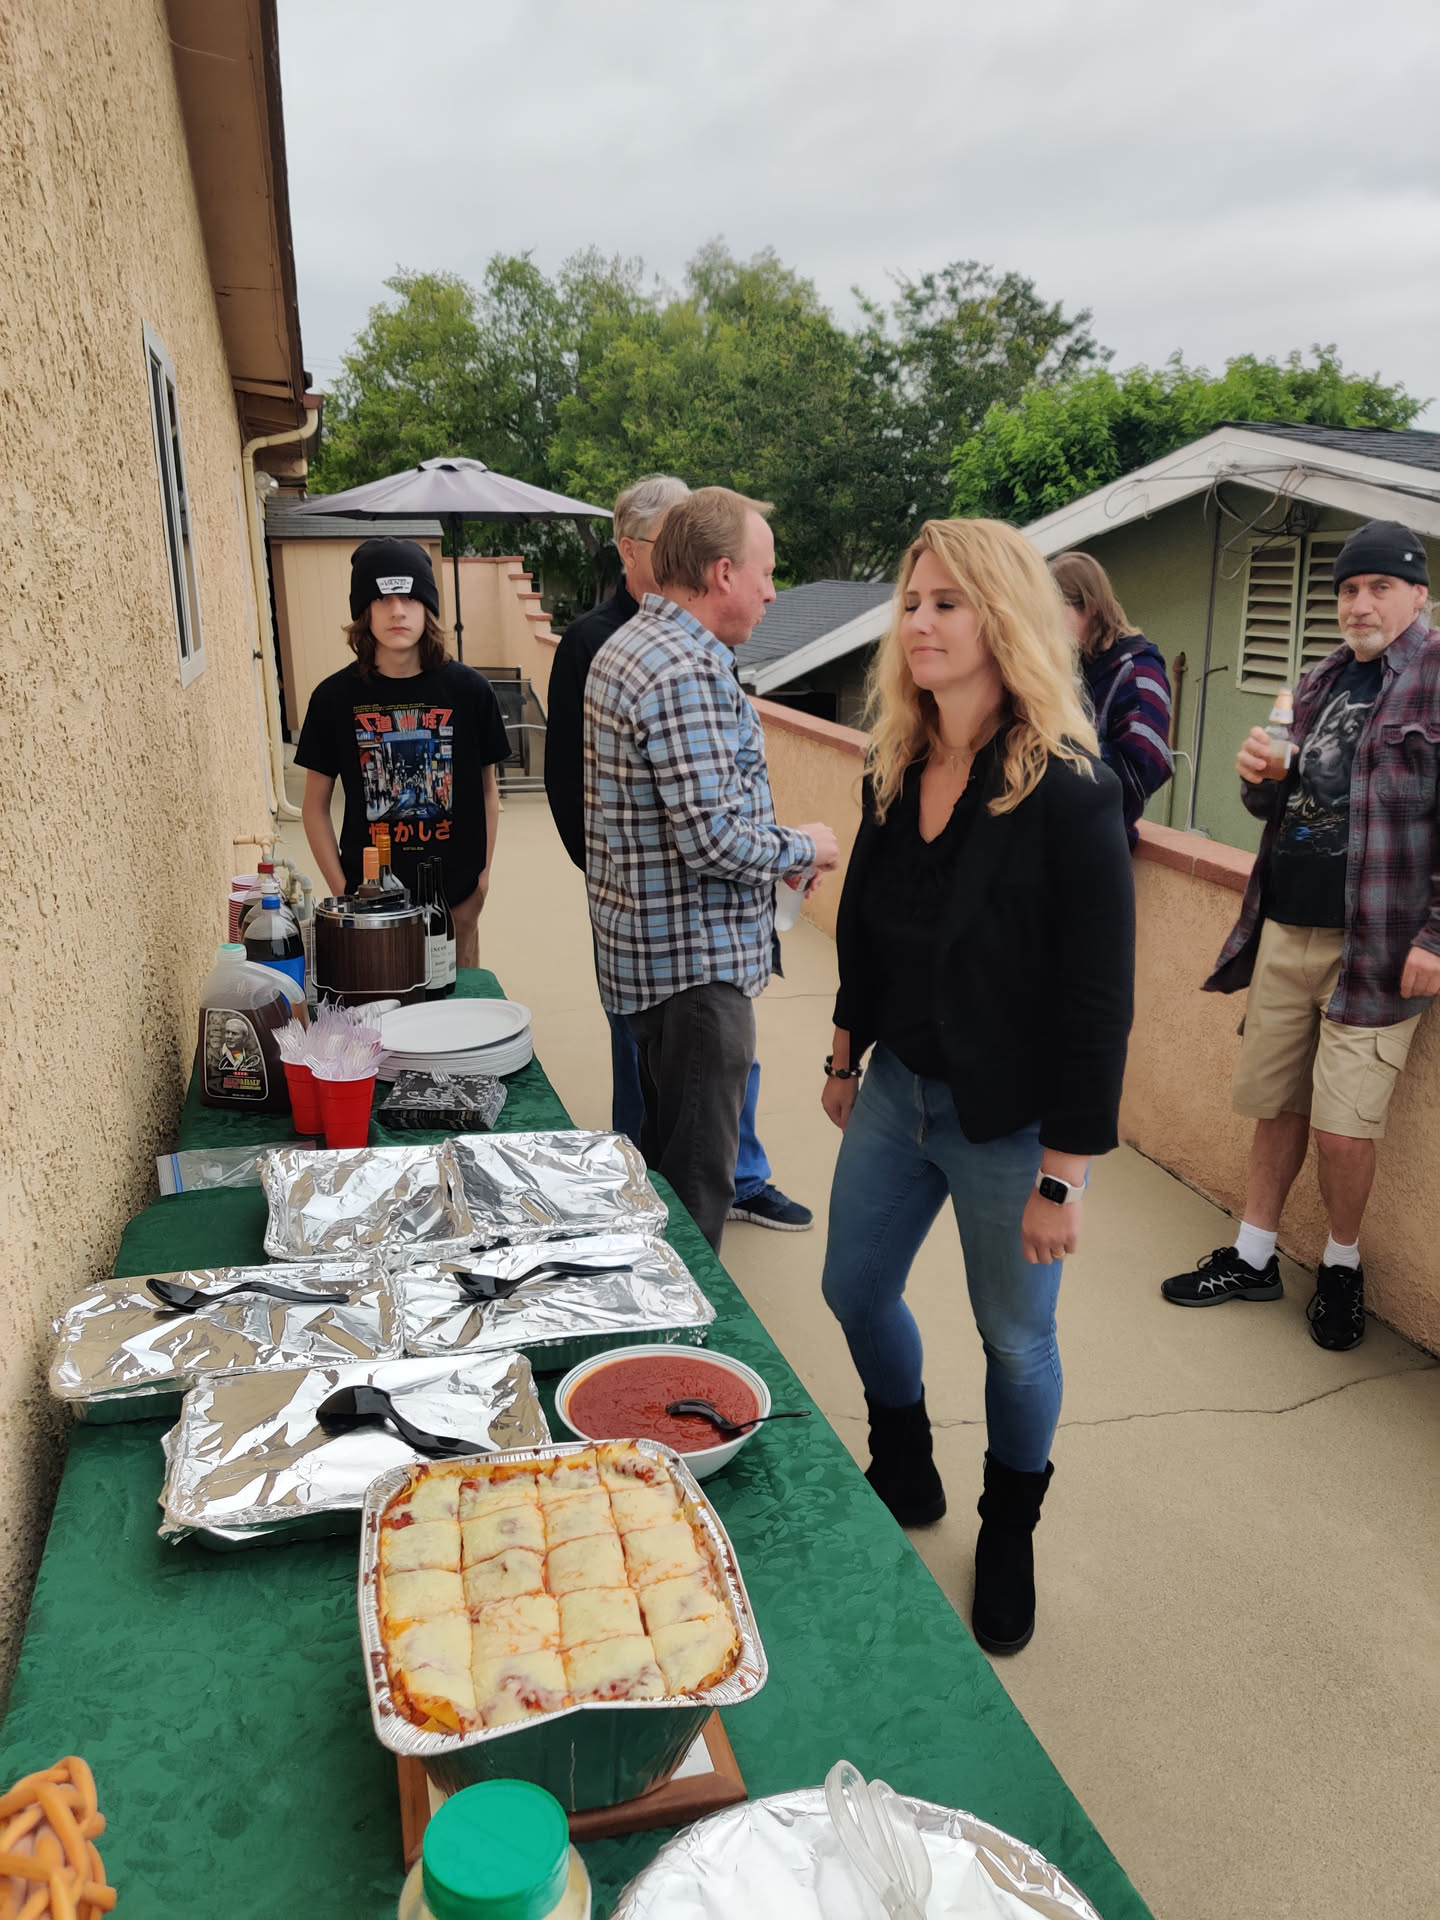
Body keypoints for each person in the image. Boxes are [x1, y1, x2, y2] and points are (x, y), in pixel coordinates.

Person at [819, 517, 1134, 1657]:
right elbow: (864, 926)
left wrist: (1065, 1176)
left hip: (1010, 1124)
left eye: (947, 602)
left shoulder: (1072, 791)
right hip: (897, 1091)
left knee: (1015, 1341)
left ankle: (1009, 1534)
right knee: (854, 1289)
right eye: (912, 602)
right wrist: (846, 1053)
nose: (920, 622)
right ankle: (906, 1465)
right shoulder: (895, 762)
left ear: (1001, 618)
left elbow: (1098, 1001)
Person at [1161, 520, 1440, 1348]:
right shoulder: (1317, 680)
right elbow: (1274, 804)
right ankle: (1254, 1256)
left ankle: (1342, 1266)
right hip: (1285, 927)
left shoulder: (1435, 678)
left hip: (1377, 947)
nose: (1360, 603)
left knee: (1343, 1127)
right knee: (1276, 1102)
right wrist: (1256, 777)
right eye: (1348, 589)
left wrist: (1435, 936)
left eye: (1379, 587)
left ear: (1418, 595)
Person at [548, 477, 815, 1231]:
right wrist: (803, 845)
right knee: (699, 1196)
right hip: (695, 974)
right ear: (723, 572)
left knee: (663, 1174)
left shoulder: (630, 646)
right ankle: (687, 1312)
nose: (772, 593)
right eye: (765, 573)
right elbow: (713, 839)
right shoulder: (683, 669)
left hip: (652, 963)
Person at [296, 538, 509, 967]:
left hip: (456, 901)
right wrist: (344, 891)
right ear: (364, 610)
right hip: (370, 907)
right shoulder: (332, 698)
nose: (397, 611)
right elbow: (314, 808)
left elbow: (488, 792)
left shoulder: (470, 692)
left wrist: (481, 882)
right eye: (382, 598)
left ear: (427, 607)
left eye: (410, 597)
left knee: (460, 1002)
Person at [1050, 551, 1173, 848]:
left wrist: (1062, 747)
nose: (1046, 625)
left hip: (1098, 847)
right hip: (1051, 841)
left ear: (1089, 606)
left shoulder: (1139, 672)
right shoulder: (1071, 663)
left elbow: (1146, 768)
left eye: (1054, 611)